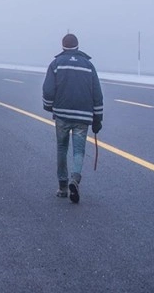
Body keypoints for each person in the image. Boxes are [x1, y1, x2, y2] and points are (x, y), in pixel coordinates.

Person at [42, 33, 103, 203]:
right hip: (83, 116)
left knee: (62, 148)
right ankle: (75, 179)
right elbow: (97, 94)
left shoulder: (56, 64)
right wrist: (98, 118)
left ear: (62, 46)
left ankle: (62, 187)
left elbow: (47, 90)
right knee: (78, 150)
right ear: (77, 46)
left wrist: (48, 105)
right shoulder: (89, 66)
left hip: (62, 114)